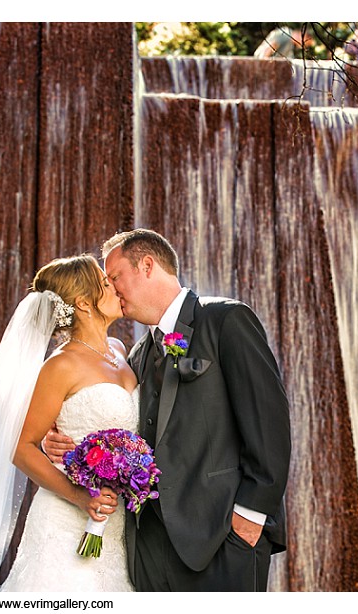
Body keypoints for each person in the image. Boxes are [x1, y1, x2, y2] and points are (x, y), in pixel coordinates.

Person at [44, 229, 291, 591]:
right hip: (148, 549)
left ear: (147, 265)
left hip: (222, 538)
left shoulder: (226, 320)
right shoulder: (136, 356)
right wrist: (65, 441)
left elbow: (269, 423)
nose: (111, 290)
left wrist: (249, 518)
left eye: (114, 278)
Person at [0, 254, 138, 592]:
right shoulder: (60, 366)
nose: (115, 286)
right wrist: (80, 496)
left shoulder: (119, 349)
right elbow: (21, 448)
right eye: (105, 282)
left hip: (120, 523)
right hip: (68, 521)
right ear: (83, 303)